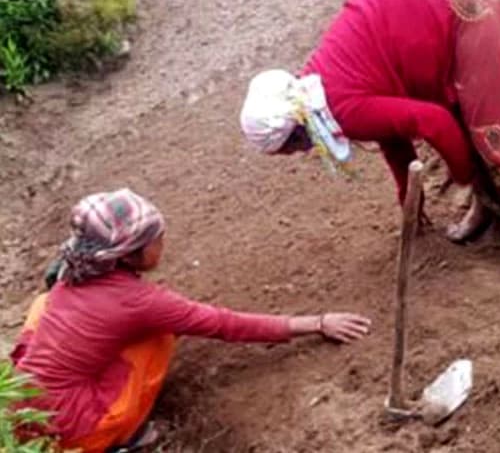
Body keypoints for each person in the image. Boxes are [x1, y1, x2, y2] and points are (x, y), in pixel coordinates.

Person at [239, 0, 500, 294]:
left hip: (452, 3)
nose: (299, 155)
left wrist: (463, 176)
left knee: (497, 122)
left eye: (290, 150)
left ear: (293, 134)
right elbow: (391, 134)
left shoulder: (341, 110)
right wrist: (411, 201)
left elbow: (433, 123)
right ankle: (485, 204)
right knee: (464, 112)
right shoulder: (314, 89)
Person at [10, 189, 372, 452]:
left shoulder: (73, 268)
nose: (163, 243)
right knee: (160, 335)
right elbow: (224, 324)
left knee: (45, 305)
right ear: (128, 253)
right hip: (69, 429)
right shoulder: (139, 301)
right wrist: (318, 322)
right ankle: (122, 435)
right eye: (157, 239)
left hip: (18, 409)